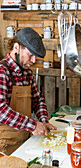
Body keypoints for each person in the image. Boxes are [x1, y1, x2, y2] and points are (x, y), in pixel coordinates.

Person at [0, 27, 56, 155]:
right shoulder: (2, 71)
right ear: (16, 47)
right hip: (4, 143)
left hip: (25, 138)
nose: (33, 61)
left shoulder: (27, 73)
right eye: (30, 55)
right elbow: (1, 110)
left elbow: (38, 100)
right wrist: (33, 125)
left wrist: (43, 121)